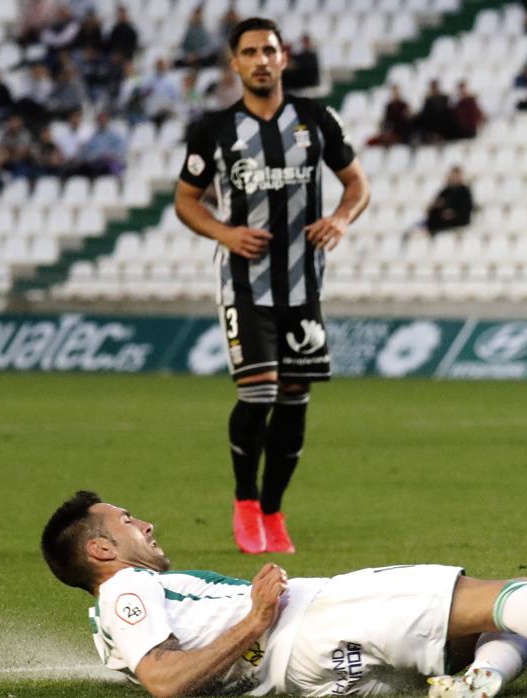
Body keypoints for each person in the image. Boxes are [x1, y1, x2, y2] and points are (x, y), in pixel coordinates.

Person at [41, 490, 527, 697]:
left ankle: (480, 676)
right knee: (511, 595)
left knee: (487, 630)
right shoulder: (127, 587)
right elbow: (163, 680)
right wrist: (255, 619)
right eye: (127, 522)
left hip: (319, 673)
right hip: (311, 622)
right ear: (101, 550)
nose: (145, 524)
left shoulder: (120, 612)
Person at [175, 18, 372, 555]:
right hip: (244, 285)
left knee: (293, 400)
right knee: (257, 391)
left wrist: (340, 219)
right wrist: (225, 233)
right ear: (234, 64)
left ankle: (273, 510)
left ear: (284, 58)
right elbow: (186, 199)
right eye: (249, 52)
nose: (261, 60)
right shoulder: (213, 129)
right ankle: (244, 501)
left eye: (269, 50)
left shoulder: (315, 118)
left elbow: (357, 184)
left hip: (303, 288)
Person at [425, 165, 474, 233]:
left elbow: (467, 207)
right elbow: (437, 203)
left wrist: (453, 214)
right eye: (454, 175)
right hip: (444, 218)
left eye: (457, 176)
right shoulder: (446, 191)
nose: (455, 178)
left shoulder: (465, 191)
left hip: (458, 219)